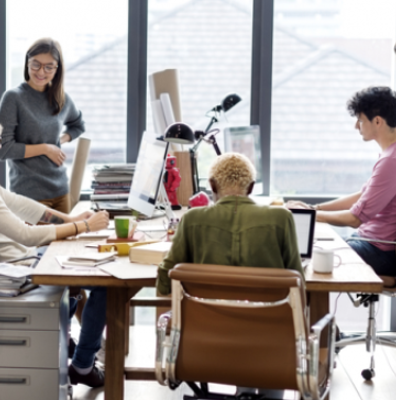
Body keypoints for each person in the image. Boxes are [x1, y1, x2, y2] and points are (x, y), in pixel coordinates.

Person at [0, 111, 110, 387]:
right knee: (104, 284)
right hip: (18, 268)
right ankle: (82, 364)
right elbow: (26, 234)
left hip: (21, 259)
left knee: (81, 263)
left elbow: (18, 203)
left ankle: (65, 341)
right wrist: (84, 228)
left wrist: (69, 220)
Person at [157, 153, 303, 400]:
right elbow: (298, 285)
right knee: (269, 334)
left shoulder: (192, 220)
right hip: (272, 344)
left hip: (208, 343)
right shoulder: (282, 219)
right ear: (252, 188)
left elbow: (164, 282)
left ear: (212, 186)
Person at [288, 86, 396, 277]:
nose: (357, 126)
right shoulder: (389, 155)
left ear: (377, 121)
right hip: (370, 242)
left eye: (360, 120)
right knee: (313, 248)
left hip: (383, 252)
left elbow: (355, 219)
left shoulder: (391, 161)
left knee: (309, 258)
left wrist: (309, 214)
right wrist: (314, 208)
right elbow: (362, 196)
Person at [0, 38, 85, 214]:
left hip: (61, 191)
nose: (41, 71)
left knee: (66, 242)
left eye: (49, 67)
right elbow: (2, 149)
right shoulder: (13, 98)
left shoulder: (61, 99)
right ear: (27, 62)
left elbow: (78, 125)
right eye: (36, 64)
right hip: (28, 195)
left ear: (57, 69)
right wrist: (45, 148)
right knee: (36, 242)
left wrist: (59, 141)